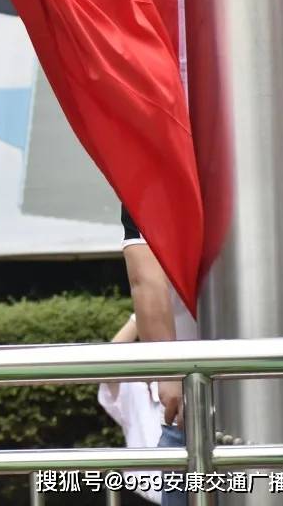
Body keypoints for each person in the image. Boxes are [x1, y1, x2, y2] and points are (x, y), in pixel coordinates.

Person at [120, 206, 197, 506]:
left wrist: (168, 373)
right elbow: (146, 278)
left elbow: (146, 278)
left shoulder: (153, 179)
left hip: (191, 404)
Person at [97, 314, 164, 505]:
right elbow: (105, 365)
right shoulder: (134, 388)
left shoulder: (187, 381)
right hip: (140, 497)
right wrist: (141, 314)